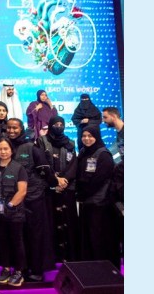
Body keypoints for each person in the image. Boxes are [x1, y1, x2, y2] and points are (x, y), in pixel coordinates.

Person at [4, 118, 53, 282]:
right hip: (13, 200)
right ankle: (21, 269)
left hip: (33, 199)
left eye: (15, 128)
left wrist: (47, 185)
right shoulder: (4, 146)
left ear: (22, 129)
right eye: (9, 127)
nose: (11, 131)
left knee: (35, 235)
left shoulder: (31, 147)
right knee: (18, 237)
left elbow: (45, 170)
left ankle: (37, 270)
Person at [74, 126, 120, 266]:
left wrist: (83, 193)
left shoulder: (104, 155)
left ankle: (105, 268)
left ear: (97, 137)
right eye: (84, 136)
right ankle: (91, 268)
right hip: (87, 203)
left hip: (101, 204)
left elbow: (100, 179)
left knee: (100, 237)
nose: (86, 139)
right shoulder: (83, 152)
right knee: (88, 237)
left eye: (90, 136)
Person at [38, 114, 80, 262]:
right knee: (51, 222)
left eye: (61, 125)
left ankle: (68, 255)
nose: (58, 127)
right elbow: (41, 162)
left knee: (68, 221)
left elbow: (73, 163)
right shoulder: (42, 141)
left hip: (67, 188)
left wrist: (64, 180)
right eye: (55, 125)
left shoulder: (70, 142)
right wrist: (55, 181)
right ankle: (54, 255)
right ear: (50, 126)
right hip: (49, 188)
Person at [0, 138, 29, 286]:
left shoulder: (19, 168)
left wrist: (10, 205)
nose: (3, 152)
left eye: (6, 149)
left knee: (16, 242)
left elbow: (22, 191)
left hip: (15, 213)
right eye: (0, 149)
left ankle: (19, 271)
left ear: (11, 150)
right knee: (2, 242)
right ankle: (6, 269)